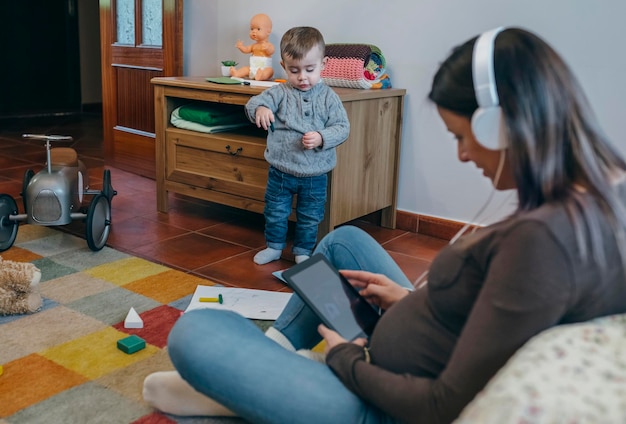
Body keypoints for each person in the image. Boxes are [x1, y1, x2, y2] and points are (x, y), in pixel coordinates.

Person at [142, 27, 626, 423]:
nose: (462, 154)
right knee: (344, 240)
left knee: (194, 333)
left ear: (498, 125)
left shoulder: (544, 242)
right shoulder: (597, 194)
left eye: (461, 137)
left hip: (387, 402)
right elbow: (498, 320)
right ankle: (277, 358)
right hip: (417, 335)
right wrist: (412, 302)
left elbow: (442, 404)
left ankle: (263, 384)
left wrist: (346, 357)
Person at [244, 26, 350, 265]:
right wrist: (260, 109)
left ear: (323, 64)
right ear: (284, 66)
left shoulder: (328, 97)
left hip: (315, 173)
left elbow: (343, 127)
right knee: (275, 212)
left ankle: (303, 251)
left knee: (310, 216)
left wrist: (322, 137)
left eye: (310, 70)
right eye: (294, 70)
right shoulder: (279, 92)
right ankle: (274, 247)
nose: (302, 77)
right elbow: (254, 103)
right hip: (281, 170)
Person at [229, 13, 276, 81]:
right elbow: (246, 50)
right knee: (246, 69)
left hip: (264, 68)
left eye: (258, 29)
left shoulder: (268, 45)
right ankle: (237, 73)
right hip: (253, 68)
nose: (254, 31)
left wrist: (268, 49)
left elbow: (272, 51)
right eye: (252, 29)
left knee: (270, 71)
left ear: (268, 31)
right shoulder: (254, 45)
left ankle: (262, 76)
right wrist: (241, 47)